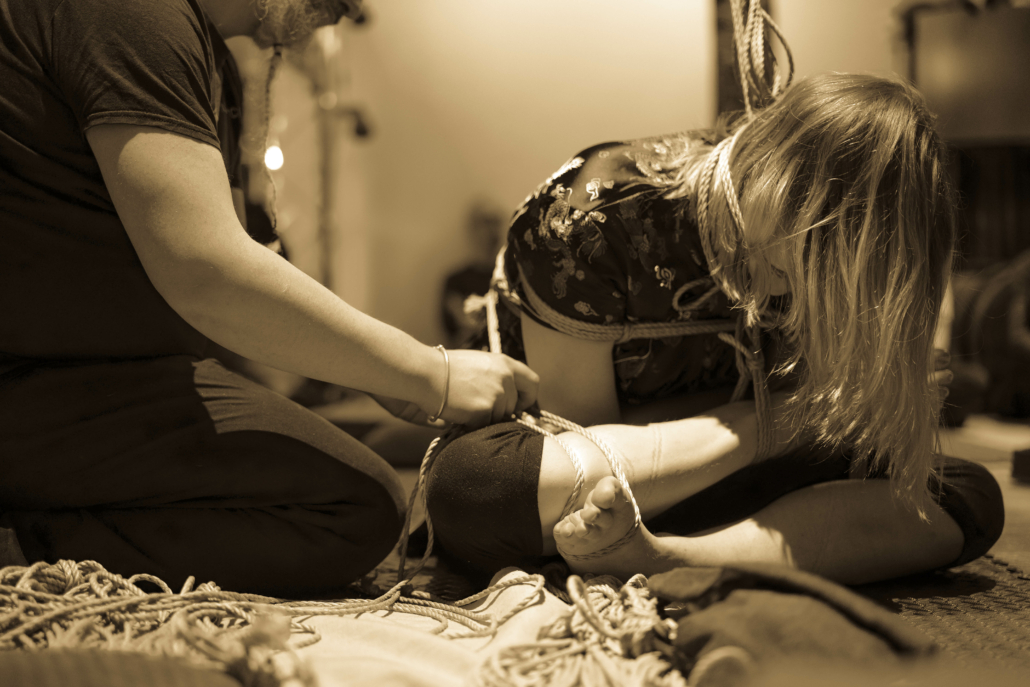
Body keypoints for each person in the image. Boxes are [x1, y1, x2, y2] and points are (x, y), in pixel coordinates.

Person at [0, 0, 538, 598]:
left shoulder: (211, 59)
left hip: (114, 372)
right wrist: (427, 373)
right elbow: (207, 273)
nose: (346, 13)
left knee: (358, 466)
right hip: (37, 377)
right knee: (354, 509)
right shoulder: (133, 14)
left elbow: (237, 268)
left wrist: (381, 378)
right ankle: (21, 543)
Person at [425, 73, 1005, 586]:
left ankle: (670, 559)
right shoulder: (591, 214)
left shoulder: (838, 255)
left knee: (966, 494)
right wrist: (788, 419)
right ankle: (724, 537)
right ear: (773, 173)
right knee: (474, 486)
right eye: (801, 262)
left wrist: (877, 395)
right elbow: (588, 443)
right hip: (613, 471)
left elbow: (849, 413)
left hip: (730, 472)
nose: (797, 290)